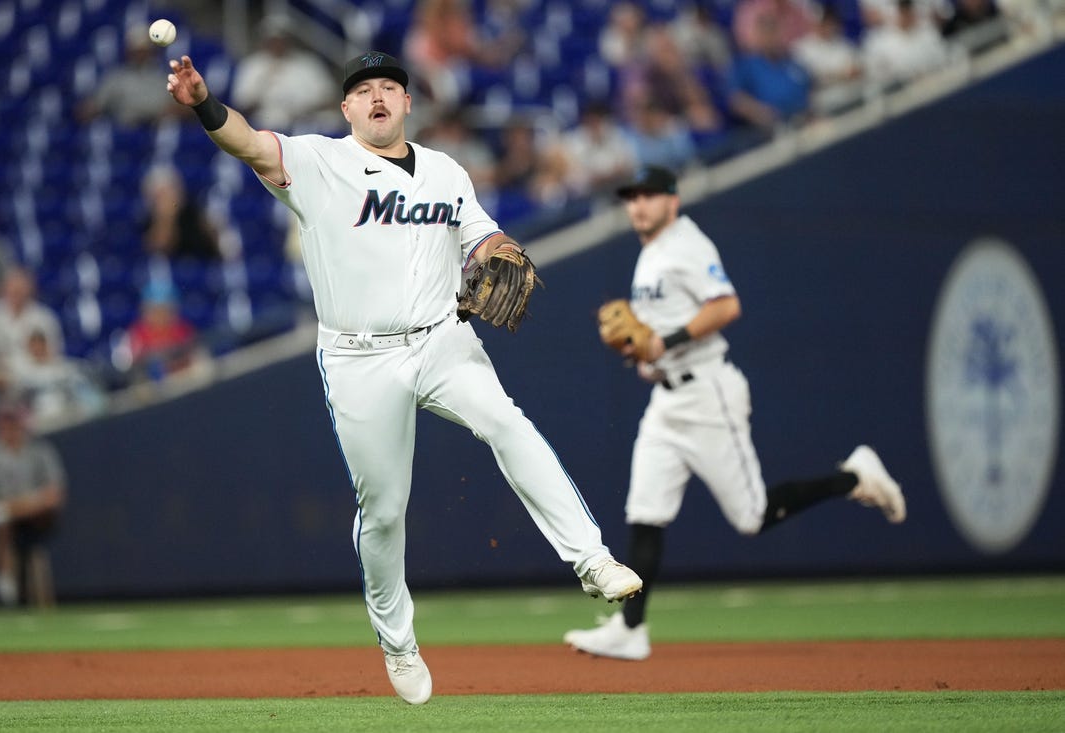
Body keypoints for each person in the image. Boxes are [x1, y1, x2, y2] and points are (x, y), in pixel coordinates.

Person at [164, 50, 642, 703]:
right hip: (361, 357)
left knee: (506, 421)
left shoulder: (446, 171)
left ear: (408, 103)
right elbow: (247, 141)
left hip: (444, 339)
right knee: (384, 511)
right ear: (347, 108)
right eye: (364, 90)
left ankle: (591, 559)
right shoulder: (320, 162)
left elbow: (485, 238)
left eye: (390, 85)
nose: (378, 96)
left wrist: (498, 252)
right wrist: (201, 102)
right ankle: (397, 638)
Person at [563, 166, 906, 661]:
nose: (637, 205)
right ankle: (631, 628)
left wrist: (665, 341)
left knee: (751, 517)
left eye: (649, 196)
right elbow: (657, 337)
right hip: (668, 400)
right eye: (631, 197)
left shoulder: (687, 244)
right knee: (644, 512)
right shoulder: (651, 253)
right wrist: (648, 357)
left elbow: (726, 306)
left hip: (708, 394)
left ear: (672, 202)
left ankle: (853, 477)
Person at [0, 395, 67, 607]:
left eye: (12, 419)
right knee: (0, 522)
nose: (8, 425)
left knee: (8, 512)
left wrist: (12, 508)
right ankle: (5, 584)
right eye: (4, 419)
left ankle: (3, 512)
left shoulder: (40, 450)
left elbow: (54, 494)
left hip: (36, 514)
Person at [230, 15, 340, 133]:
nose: (278, 44)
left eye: (282, 39)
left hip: (306, 124)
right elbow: (241, 106)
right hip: (265, 126)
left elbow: (330, 99)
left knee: (332, 121)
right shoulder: (252, 65)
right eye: (273, 40)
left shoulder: (308, 63)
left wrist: (304, 110)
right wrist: (264, 83)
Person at [76, 24, 180, 127]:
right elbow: (94, 106)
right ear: (129, 51)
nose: (140, 55)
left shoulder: (164, 77)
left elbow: (180, 107)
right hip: (126, 129)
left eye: (144, 50)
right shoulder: (116, 77)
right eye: (136, 51)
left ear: (152, 51)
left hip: (156, 128)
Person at [0, 266, 64, 372]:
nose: (17, 292)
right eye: (13, 288)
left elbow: (54, 354)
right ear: (5, 288)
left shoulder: (45, 318)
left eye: (21, 288)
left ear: (30, 289)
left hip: (37, 376)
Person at [140, 163, 222, 262]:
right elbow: (160, 249)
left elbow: (214, 246)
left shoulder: (193, 212)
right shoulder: (147, 220)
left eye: (168, 192)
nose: (166, 199)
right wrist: (166, 219)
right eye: (160, 195)